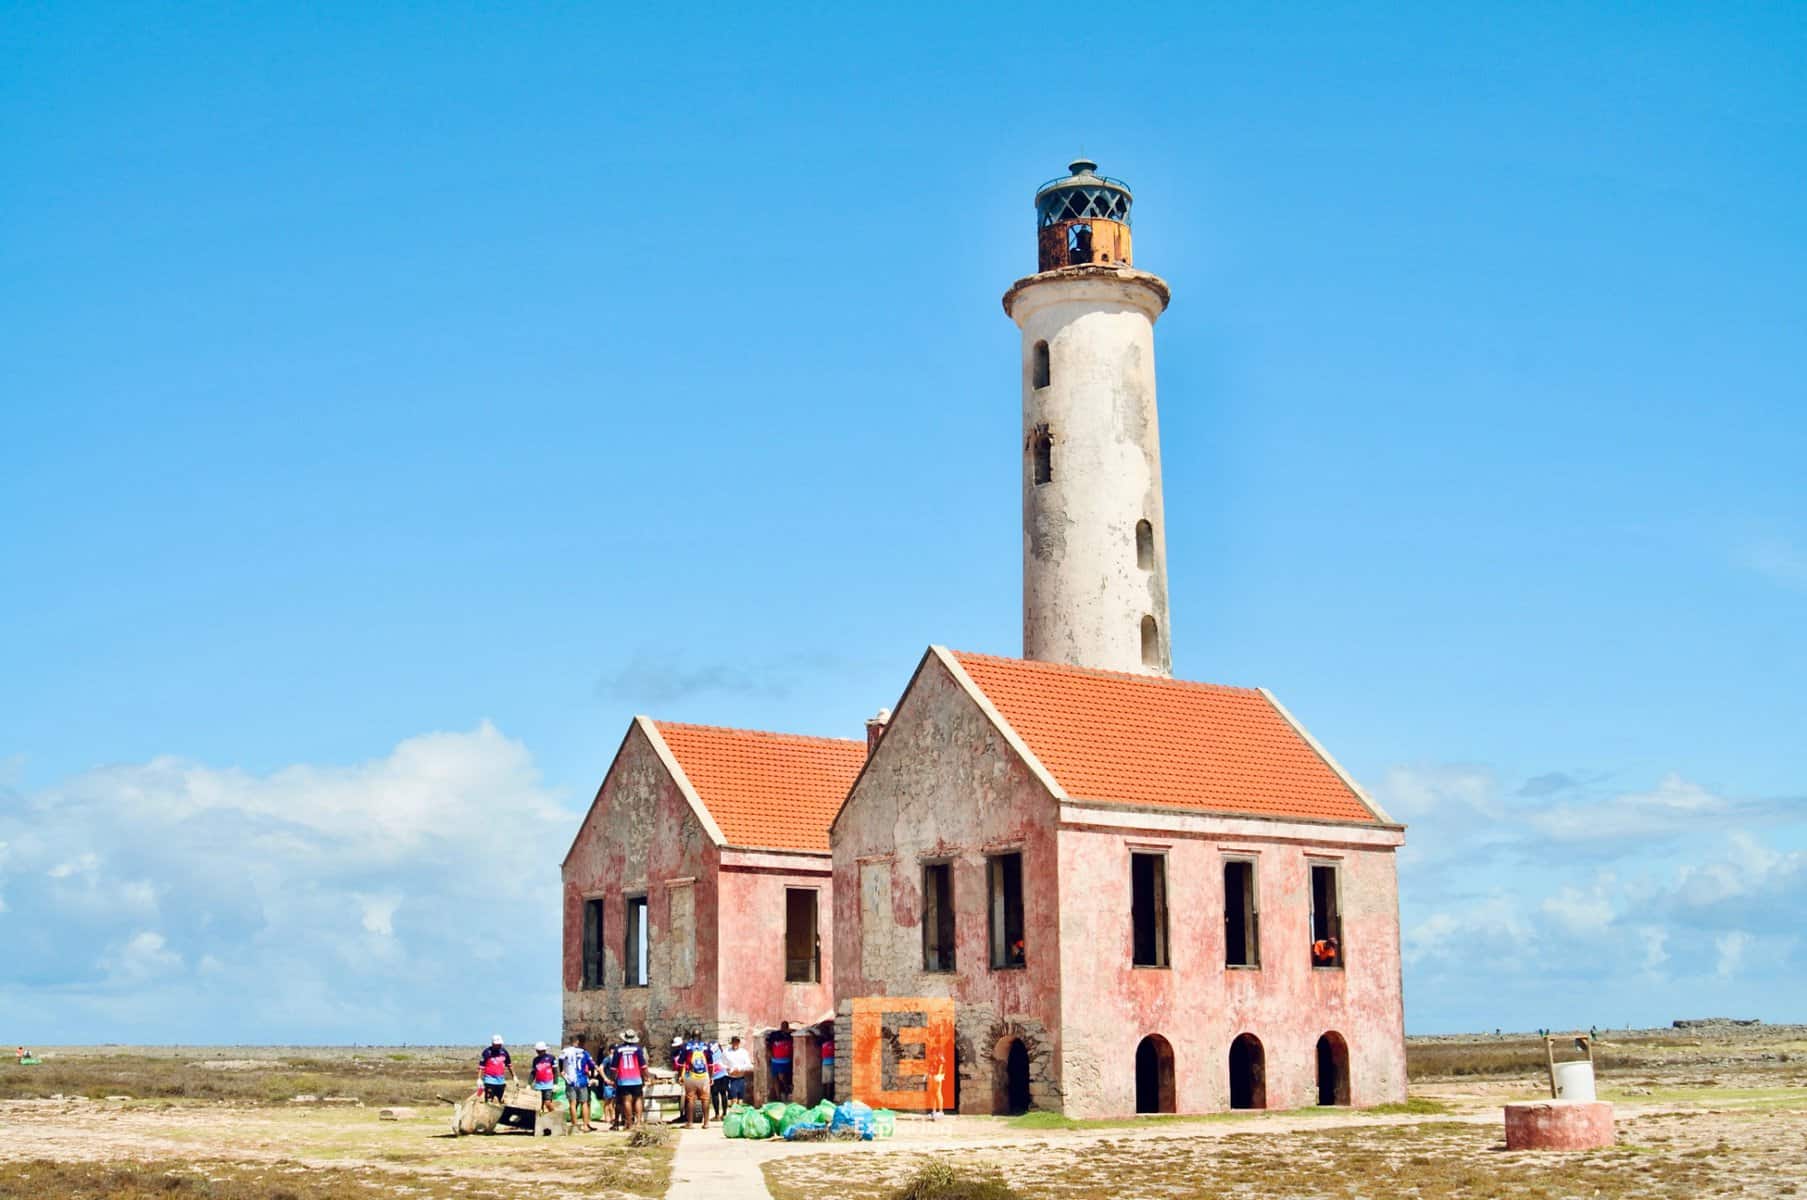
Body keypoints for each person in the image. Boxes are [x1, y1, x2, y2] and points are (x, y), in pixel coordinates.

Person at [609, 1029, 648, 1130]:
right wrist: (646, 1077)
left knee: (627, 1101)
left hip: (623, 1079)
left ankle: (629, 1123)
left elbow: (613, 1068)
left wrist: (613, 1080)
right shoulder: (637, 1049)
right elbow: (643, 1066)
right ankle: (639, 1122)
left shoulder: (618, 1050)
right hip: (636, 1078)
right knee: (638, 1099)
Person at [560, 1034, 599, 1132]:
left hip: (571, 1080)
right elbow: (592, 1065)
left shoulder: (566, 1051)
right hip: (582, 1080)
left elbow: (560, 1060)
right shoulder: (585, 1053)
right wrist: (592, 1076)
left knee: (572, 1104)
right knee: (584, 1103)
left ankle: (575, 1125)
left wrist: (562, 1070)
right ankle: (585, 1125)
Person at [678, 1028, 714, 1128]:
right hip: (704, 1075)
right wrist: (711, 1077)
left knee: (690, 1099)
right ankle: (706, 1123)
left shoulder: (686, 1046)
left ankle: (690, 1123)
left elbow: (680, 1064)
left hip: (690, 1075)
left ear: (691, 1036)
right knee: (705, 1099)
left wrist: (680, 1076)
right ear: (700, 1036)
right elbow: (711, 1064)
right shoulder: (706, 1047)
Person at [478, 1035, 513, 1104]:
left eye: (500, 1044)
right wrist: (479, 1078)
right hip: (489, 1081)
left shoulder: (504, 1052)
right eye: (497, 1044)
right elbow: (481, 1066)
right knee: (489, 1101)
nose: (499, 1046)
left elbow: (509, 1065)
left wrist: (514, 1076)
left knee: (501, 1102)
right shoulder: (487, 1052)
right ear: (493, 1044)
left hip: (501, 1081)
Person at [765, 1021, 794, 1101]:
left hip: (785, 1061)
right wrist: (770, 1055)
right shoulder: (775, 1035)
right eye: (782, 1026)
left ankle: (786, 1091)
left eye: (785, 1026)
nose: (783, 1028)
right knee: (775, 1079)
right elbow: (768, 1044)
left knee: (783, 1077)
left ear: (787, 1027)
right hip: (775, 1061)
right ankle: (778, 1097)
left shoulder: (790, 1035)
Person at [722, 1035, 754, 1106]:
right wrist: (727, 1068)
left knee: (740, 1100)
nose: (735, 1043)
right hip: (731, 1079)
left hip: (741, 1078)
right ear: (732, 1042)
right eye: (734, 1042)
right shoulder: (726, 1052)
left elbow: (748, 1065)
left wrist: (739, 1069)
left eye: (737, 1042)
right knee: (734, 1100)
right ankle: (733, 1115)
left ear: (739, 1043)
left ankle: (738, 1116)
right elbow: (722, 1064)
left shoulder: (743, 1052)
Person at [529, 1041, 559, 1114]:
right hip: (538, 1085)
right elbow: (533, 1073)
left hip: (548, 1085)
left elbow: (555, 1072)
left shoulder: (551, 1058)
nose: (539, 1052)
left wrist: (555, 1084)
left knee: (547, 1102)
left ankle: (554, 1115)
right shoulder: (535, 1060)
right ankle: (540, 1118)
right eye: (538, 1051)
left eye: (541, 1051)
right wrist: (529, 1084)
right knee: (539, 1104)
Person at [707, 1034, 730, 1120]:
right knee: (724, 1094)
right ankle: (724, 1114)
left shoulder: (709, 1052)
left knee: (715, 1095)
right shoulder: (720, 1051)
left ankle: (717, 1115)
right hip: (723, 1074)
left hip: (714, 1075)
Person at [817, 1022, 836, 1102]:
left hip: (831, 1063)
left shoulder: (831, 1038)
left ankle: (829, 1099)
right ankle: (825, 1099)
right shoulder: (822, 1039)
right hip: (825, 1063)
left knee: (829, 1083)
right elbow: (817, 1042)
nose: (821, 1032)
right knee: (825, 1083)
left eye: (822, 1030)